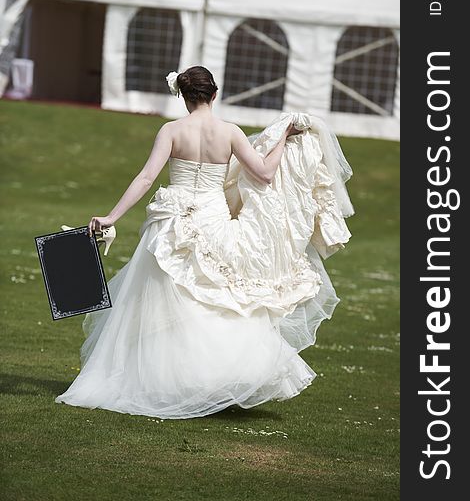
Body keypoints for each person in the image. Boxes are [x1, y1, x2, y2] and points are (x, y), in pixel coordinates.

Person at [55, 65, 354, 419]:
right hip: (213, 222)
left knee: (163, 305)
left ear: (182, 96)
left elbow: (147, 176)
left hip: (172, 223)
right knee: (216, 300)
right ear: (215, 94)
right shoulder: (229, 132)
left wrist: (112, 216)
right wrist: (282, 139)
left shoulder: (171, 130)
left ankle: (164, 380)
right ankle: (219, 378)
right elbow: (264, 173)